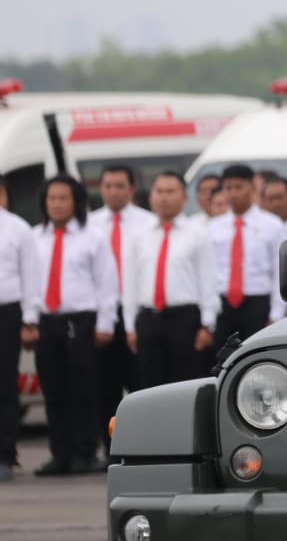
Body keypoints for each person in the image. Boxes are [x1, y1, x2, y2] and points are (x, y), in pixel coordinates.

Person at [30, 175, 116, 474]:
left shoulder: (92, 237)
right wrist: (29, 321)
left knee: (83, 389)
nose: (56, 204)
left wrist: (106, 322)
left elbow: (107, 283)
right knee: (54, 391)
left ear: (76, 202)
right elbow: (30, 283)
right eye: (51, 198)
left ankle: (85, 453)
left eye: (63, 198)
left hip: (80, 320)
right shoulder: (35, 237)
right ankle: (60, 454)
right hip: (46, 321)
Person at [87, 164, 157, 457]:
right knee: (105, 386)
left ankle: (142, 448)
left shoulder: (148, 224)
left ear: (131, 189)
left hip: (136, 312)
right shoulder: (89, 224)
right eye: (108, 186)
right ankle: (111, 449)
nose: (113, 191)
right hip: (102, 312)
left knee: (139, 384)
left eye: (120, 186)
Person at [122, 172, 216, 388]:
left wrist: (207, 325)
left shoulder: (198, 235)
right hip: (148, 319)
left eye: (170, 192)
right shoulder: (139, 236)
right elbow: (130, 284)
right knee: (150, 384)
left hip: (184, 320)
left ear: (184, 197)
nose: (164, 197)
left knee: (185, 384)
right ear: (151, 197)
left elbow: (208, 282)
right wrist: (130, 326)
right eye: (159, 192)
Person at [207, 165, 285, 350]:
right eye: (228, 188)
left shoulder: (272, 225)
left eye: (239, 187)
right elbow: (208, 272)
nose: (233, 193)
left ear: (252, 187)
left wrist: (276, 314)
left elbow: (279, 270)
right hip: (223, 304)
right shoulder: (213, 227)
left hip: (257, 302)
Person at [0, 173, 39, 482]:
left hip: (7, 313)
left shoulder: (17, 228)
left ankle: (5, 455)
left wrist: (29, 320)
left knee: (4, 386)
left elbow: (30, 277)